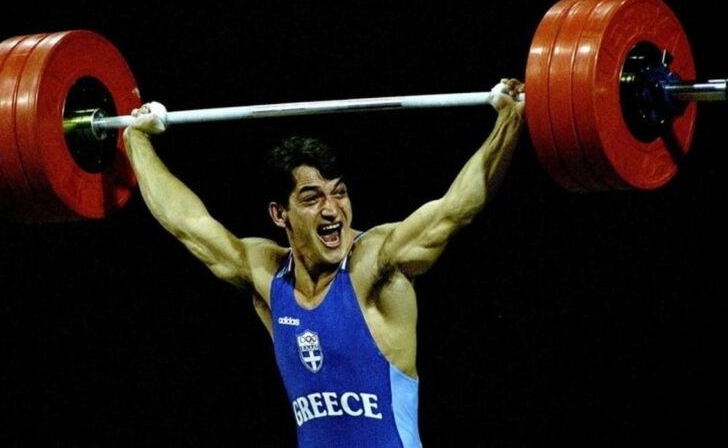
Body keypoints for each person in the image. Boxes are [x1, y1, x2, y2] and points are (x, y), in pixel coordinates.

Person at [121, 78, 525, 447]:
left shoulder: (374, 263)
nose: (332, 210)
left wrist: (509, 120)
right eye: (312, 198)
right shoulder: (268, 276)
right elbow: (187, 223)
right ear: (280, 214)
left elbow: (455, 209)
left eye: (340, 193)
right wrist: (136, 139)